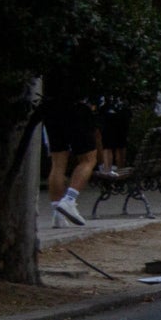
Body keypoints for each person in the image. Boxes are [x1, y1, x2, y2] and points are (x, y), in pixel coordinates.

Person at [41, 74, 100, 227]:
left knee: (58, 162)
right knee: (89, 159)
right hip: (76, 106)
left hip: (51, 108)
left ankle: (57, 213)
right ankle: (69, 199)